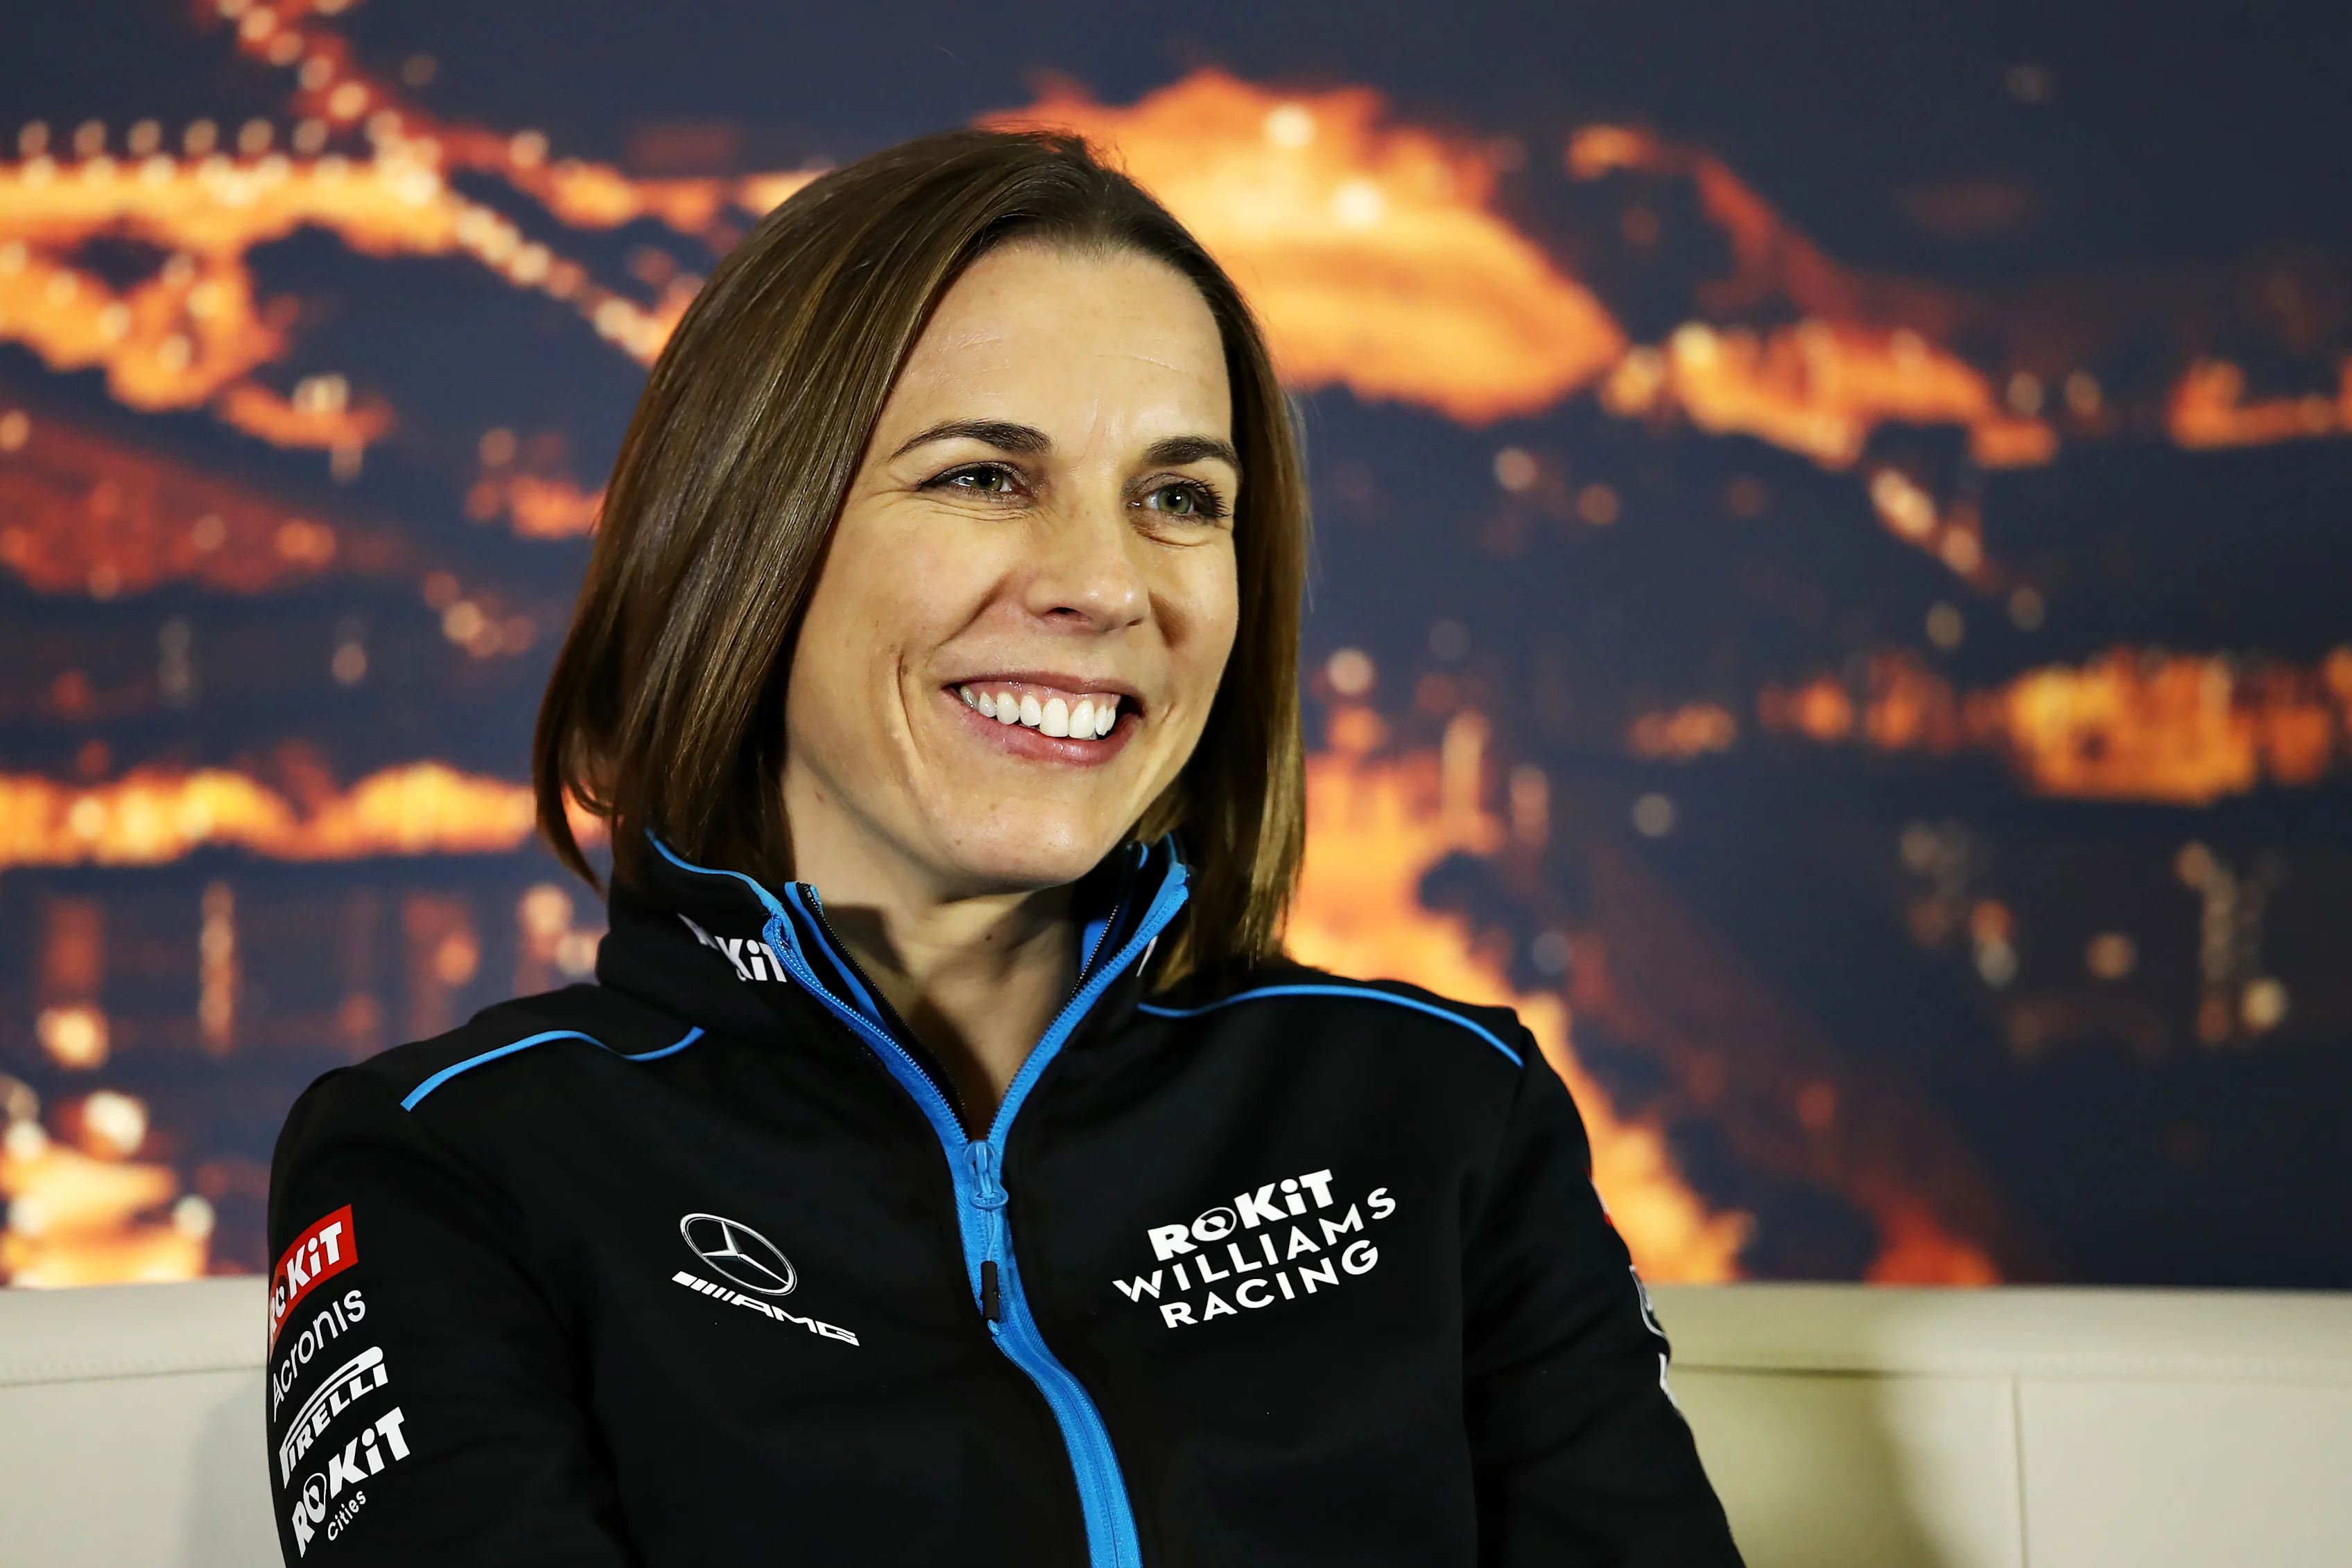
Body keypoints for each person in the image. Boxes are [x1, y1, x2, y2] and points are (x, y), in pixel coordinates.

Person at [263, 128, 1743, 1567]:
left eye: (1178, 499)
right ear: (745, 538)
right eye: (984, 476)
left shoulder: (1441, 1111)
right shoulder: (447, 1163)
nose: (1104, 585)